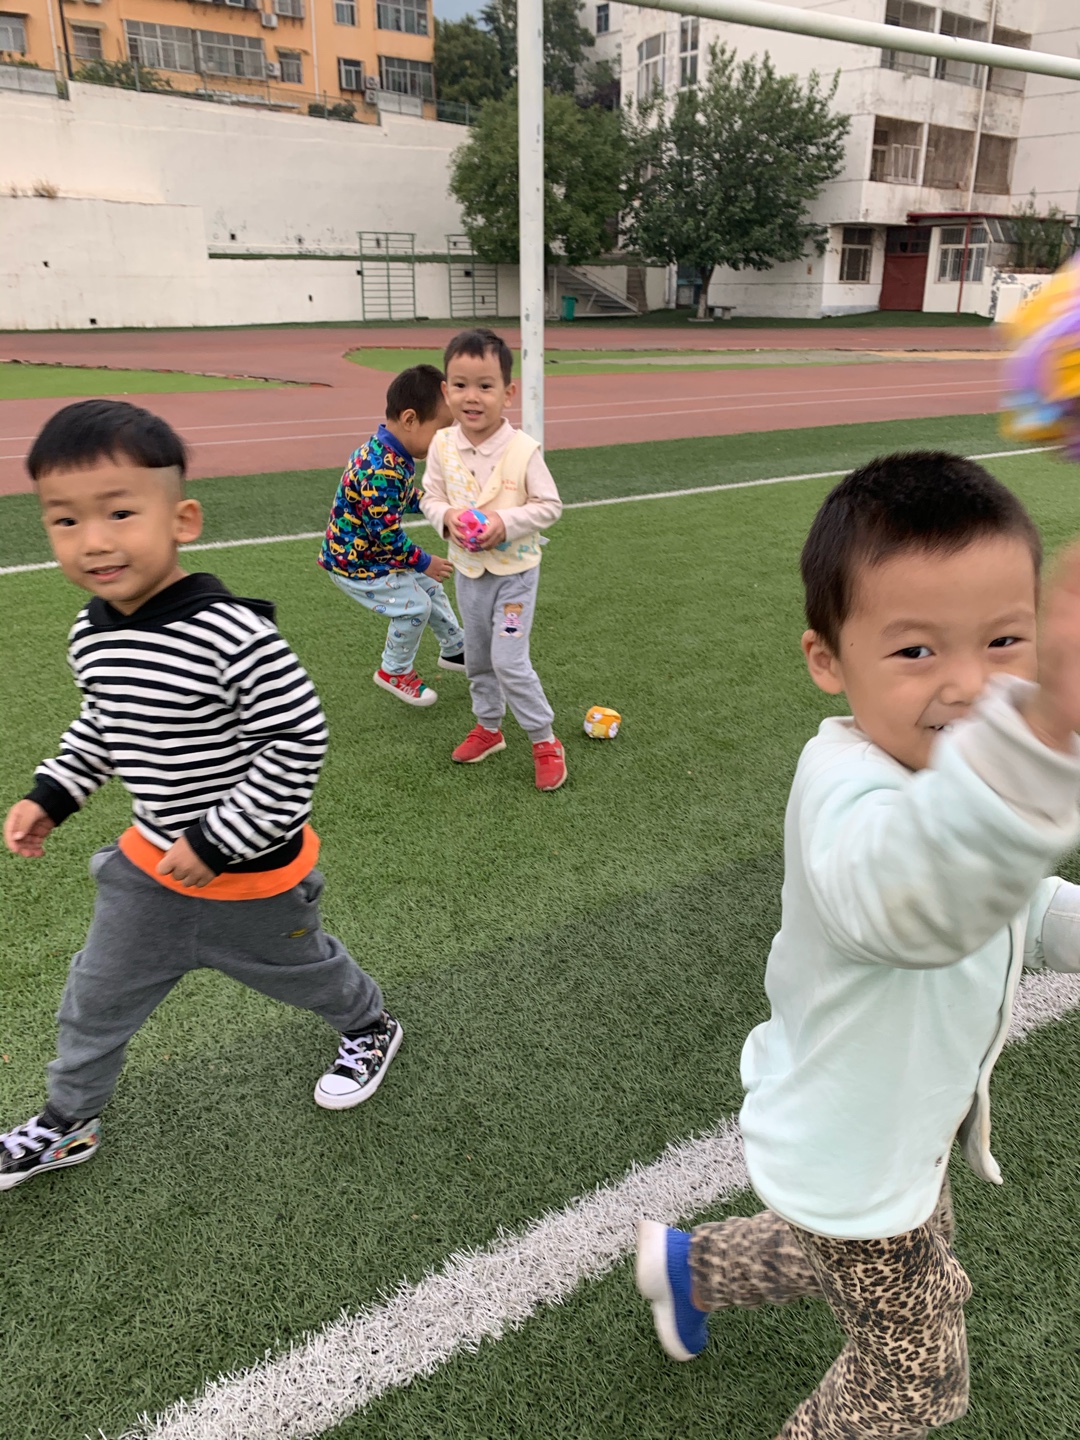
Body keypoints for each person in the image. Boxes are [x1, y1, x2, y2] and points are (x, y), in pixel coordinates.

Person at [636, 452, 1080, 1436]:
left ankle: (688, 1267)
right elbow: (916, 900)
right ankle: (698, 1269)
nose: (971, 686)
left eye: (1005, 640)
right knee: (913, 1380)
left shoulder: (952, 788)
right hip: (852, 1152)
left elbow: (1014, 901)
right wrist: (1041, 741)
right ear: (827, 660)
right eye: (916, 650)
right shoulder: (847, 792)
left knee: (853, 1243)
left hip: (889, 1132)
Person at [1, 399, 402, 1192]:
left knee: (307, 973)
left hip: (253, 878)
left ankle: (369, 1025)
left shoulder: (233, 634)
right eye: (66, 520)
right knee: (94, 997)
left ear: (182, 519)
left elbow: (299, 739)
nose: (94, 540)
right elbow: (103, 723)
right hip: (149, 871)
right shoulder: (92, 633)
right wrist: (54, 791)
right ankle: (67, 1121)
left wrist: (219, 838)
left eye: (120, 512)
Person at [420, 328, 567, 791]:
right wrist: (448, 518)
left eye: (485, 386)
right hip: (469, 575)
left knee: (508, 659)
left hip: (514, 579)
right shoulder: (442, 445)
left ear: (508, 393)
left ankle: (544, 739)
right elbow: (429, 497)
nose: (472, 397)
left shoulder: (522, 450)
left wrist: (505, 523)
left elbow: (549, 506)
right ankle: (489, 727)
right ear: (446, 390)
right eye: (460, 385)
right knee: (478, 657)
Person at [319, 363, 464, 708]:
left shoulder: (392, 454)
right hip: (355, 563)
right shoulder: (379, 467)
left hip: (374, 554)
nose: (445, 441)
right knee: (415, 607)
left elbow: (401, 496)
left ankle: (455, 649)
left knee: (431, 589)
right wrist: (424, 561)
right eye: (441, 430)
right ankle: (393, 671)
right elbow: (386, 534)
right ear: (410, 419)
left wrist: (436, 503)